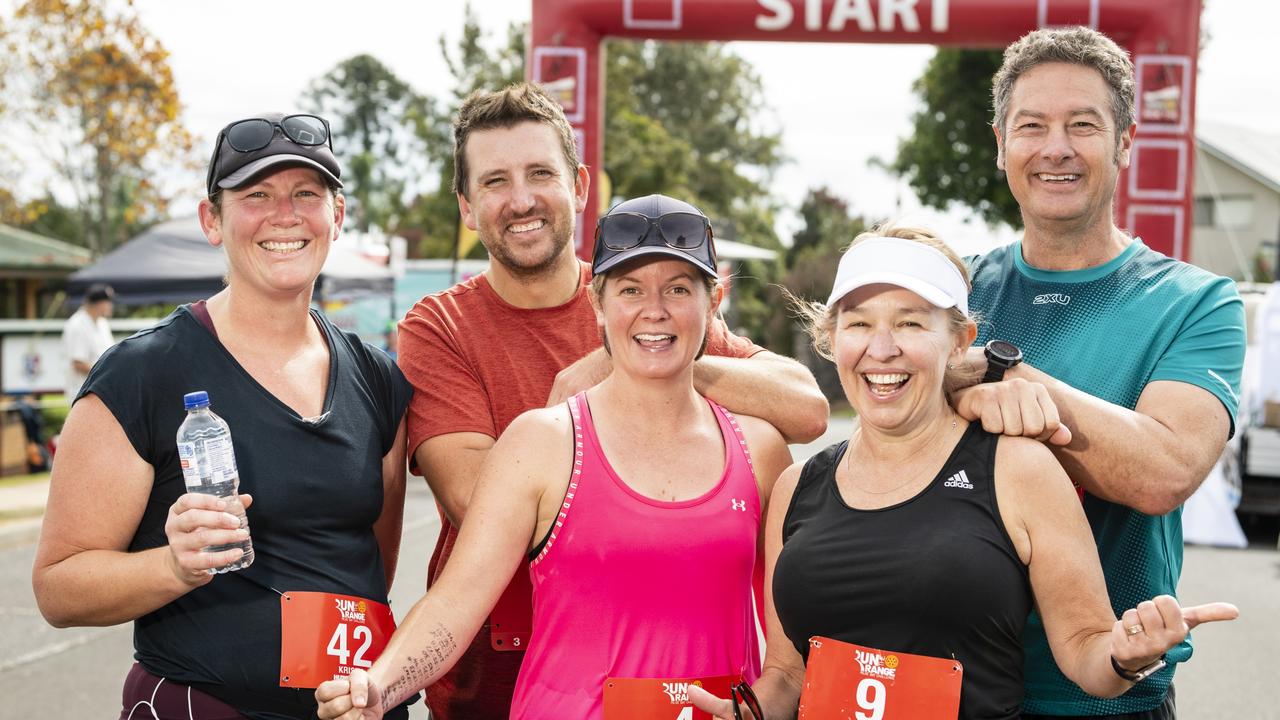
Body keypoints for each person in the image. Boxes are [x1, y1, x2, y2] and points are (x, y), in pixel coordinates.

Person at [395, 82, 828, 719]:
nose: (521, 200)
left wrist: (656, 368)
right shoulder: (440, 327)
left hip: (685, 684)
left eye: (540, 173)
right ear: (465, 206)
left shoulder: (650, 299)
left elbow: (807, 406)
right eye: (495, 182)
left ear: (578, 185)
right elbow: (477, 499)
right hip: (489, 682)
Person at [688, 226, 1238, 720]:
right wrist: (746, 714)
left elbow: (1086, 650)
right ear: (833, 340)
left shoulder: (1018, 468)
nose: (882, 349)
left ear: (959, 340)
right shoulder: (797, 488)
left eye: (909, 323)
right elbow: (787, 676)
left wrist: (1126, 654)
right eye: (859, 324)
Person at [316, 194, 795, 720]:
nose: (653, 310)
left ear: (714, 301)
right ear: (597, 303)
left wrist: (759, 711)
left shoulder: (760, 452)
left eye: (678, 289)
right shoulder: (541, 443)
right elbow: (455, 605)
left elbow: (786, 667)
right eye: (630, 289)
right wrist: (381, 685)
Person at [32, 112, 413, 720]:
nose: (284, 215)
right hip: (203, 704)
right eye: (256, 195)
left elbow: (369, 566)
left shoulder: (379, 378)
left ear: (336, 217)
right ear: (213, 220)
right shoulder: (142, 374)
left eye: (306, 195)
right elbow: (59, 587)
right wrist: (174, 565)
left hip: (354, 709)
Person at [951, 27, 1247, 719]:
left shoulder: (1197, 302)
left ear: (1125, 142)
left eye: (1082, 125)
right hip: (948, 685)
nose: (1055, 148)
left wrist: (1004, 377)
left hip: (1107, 690)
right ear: (1000, 143)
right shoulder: (951, 292)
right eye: (1032, 127)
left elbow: (1162, 471)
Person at [62, 282, 116, 399]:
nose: (111, 306)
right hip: (83, 392)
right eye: (108, 302)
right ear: (99, 303)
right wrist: (107, 375)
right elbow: (78, 363)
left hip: (101, 389)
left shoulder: (102, 323)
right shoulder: (77, 325)